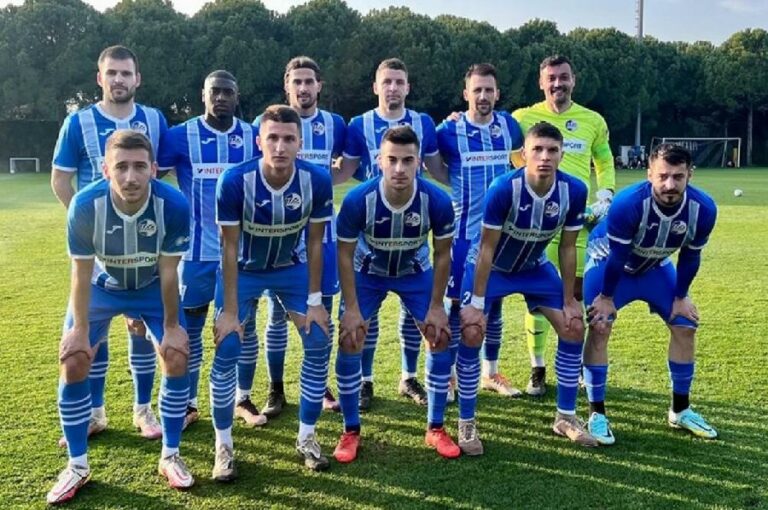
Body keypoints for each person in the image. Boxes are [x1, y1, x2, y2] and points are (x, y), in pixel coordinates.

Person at [47, 130, 193, 505]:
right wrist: (80, 331)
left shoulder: (174, 204)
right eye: (121, 167)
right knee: (74, 359)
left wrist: (171, 328)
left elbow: (169, 272)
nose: (130, 177)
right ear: (105, 169)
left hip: (151, 287)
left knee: (176, 355)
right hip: (101, 287)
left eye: (140, 167)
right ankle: (77, 465)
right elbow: (81, 274)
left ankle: (170, 455)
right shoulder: (85, 204)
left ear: (154, 169)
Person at [51, 45, 169, 446]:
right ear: (100, 78)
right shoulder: (78, 122)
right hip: (97, 253)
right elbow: (60, 180)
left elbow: (158, 175)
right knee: (90, 332)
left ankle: (143, 409)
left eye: (126, 73)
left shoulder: (154, 119)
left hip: (144, 247)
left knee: (141, 329)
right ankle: (94, 413)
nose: (119, 79)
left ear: (138, 78)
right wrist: (90, 228)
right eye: (112, 73)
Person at [458, 122, 597, 456]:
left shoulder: (575, 190)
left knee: (573, 326)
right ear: (524, 154)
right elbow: (487, 248)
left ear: (562, 155)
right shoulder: (504, 188)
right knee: (472, 330)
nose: (545, 157)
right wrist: (477, 302)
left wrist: (569, 299)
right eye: (538, 149)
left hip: (535, 268)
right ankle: (466, 421)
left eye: (552, 150)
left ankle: (565, 417)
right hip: (493, 268)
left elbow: (567, 247)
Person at [213, 105, 334, 479]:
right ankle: (223, 445)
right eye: (272, 138)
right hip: (243, 270)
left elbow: (315, 243)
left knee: (318, 339)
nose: (280, 147)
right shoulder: (235, 181)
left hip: (290, 269)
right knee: (228, 345)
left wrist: (315, 301)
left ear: (300, 142)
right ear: (258, 141)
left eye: (288, 139)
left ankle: (307, 437)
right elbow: (228, 248)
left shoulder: (317, 180)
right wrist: (229, 311)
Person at [333, 126, 457, 463]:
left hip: (414, 273)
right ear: (379, 161)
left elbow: (442, 255)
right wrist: (351, 308)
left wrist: (436, 305)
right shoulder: (358, 200)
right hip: (367, 274)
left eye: (407, 160)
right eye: (392, 160)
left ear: (419, 162)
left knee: (439, 334)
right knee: (350, 337)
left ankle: (435, 427)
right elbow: (344, 255)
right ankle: (350, 430)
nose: (399, 168)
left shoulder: (437, 200)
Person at [583, 143, 718, 445]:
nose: (670, 184)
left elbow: (691, 256)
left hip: (654, 264)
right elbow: (617, 257)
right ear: (649, 175)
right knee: (600, 325)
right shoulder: (628, 203)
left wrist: (681, 296)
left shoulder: (704, 208)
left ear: (690, 175)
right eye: (663, 176)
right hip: (609, 263)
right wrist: (606, 297)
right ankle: (596, 413)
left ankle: (680, 410)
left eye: (678, 177)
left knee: (685, 325)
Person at [336, 58, 444, 410]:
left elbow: (439, 167)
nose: (393, 88)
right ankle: (365, 381)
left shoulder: (424, 122)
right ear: (376, 87)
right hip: (371, 234)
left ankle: (408, 376)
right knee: (364, 318)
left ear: (408, 87)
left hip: (413, 231)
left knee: (414, 313)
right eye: (387, 82)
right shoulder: (358, 124)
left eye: (399, 81)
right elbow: (347, 169)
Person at [157, 70, 262, 430]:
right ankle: (188, 404)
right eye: (214, 91)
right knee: (191, 327)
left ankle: (242, 398)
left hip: (242, 254)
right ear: (203, 95)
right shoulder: (179, 135)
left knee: (244, 327)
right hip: (195, 255)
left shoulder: (252, 136)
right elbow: (152, 181)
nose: (220, 97)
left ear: (236, 96)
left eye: (227, 92)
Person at [512, 55, 615, 396]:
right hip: (536, 224)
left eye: (564, 77)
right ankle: (538, 367)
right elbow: (503, 146)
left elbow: (603, 159)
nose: (558, 83)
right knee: (539, 296)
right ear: (541, 83)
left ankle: (577, 365)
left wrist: (606, 194)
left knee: (578, 294)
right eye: (551, 78)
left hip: (578, 222)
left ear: (574, 80)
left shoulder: (592, 120)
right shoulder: (522, 118)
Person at [253, 56, 347, 419]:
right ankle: (275, 388)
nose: (303, 88)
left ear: (319, 85)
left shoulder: (336, 124)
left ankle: (318, 383)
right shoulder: (266, 122)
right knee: (277, 316)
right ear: (287, 85)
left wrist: (323, 185)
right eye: (297, 81)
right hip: (281, 238)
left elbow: (350, 162)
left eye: (309, 81)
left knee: (322, 313)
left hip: (323, 237)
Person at [436, 63, 524, 400]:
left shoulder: (509, 126)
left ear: (497, 93)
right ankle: (449, 376)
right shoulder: (449, 130)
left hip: (500, 237)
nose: (483, 96)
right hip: (463, 235)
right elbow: (433, 164)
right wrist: (457, 185)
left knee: (494, 304)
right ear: (466, 94)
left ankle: (490, 372)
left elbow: (525, 155)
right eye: (477, 90)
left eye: (489, 90)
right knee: (454, 306)